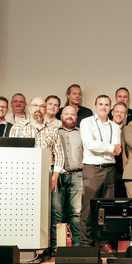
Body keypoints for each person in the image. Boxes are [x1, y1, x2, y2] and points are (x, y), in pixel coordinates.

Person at [9, 97, 65, 223]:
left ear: (45, 110)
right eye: (35, 105)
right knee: (25, 208)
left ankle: (54, 242)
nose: (38, 109)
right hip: (23, 174)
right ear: (29, 108)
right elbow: (11, 152)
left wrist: (54, 176)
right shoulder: (17, 128)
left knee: (53, 209)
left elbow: (59, 154)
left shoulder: (52, 129)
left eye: (41, 106)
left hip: (47, 173)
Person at [79, 95, 121, 253]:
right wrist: (110, 148)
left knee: (107, 208)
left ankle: (104, 242)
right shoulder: (86, 122)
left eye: (107, 104)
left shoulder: (115, 127)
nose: (104, 107)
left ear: (110, 107)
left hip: (110, 169)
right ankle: (85, 242)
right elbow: (90, 144)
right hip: (92, 168)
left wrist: (106, 147)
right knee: (88, 208)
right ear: (95, 106)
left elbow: (118, 149)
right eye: (101, 104)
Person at [55, 106, 83, 250]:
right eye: (67, 114)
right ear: (61, 116)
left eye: (73, 114)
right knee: (57, 212)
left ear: (76, 117)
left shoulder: (81, 133)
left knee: (77, 213)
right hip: (57, 176)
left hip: (77, 175)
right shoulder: (54, 132)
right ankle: (55, 247)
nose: (70, 116)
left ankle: (77, 245)